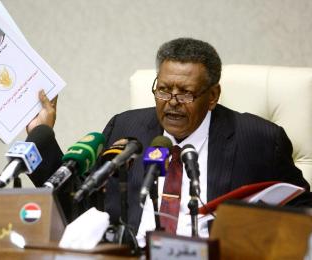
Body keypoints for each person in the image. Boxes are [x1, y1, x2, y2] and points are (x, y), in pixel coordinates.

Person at [27, 37, 311, 247]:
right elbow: (77, 205)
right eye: (163, 90)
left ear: (212, 96)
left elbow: (303, 210)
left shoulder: (258, 139)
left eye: (185, 93)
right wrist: (40, 139)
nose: (172, 103)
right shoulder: (126, 128)